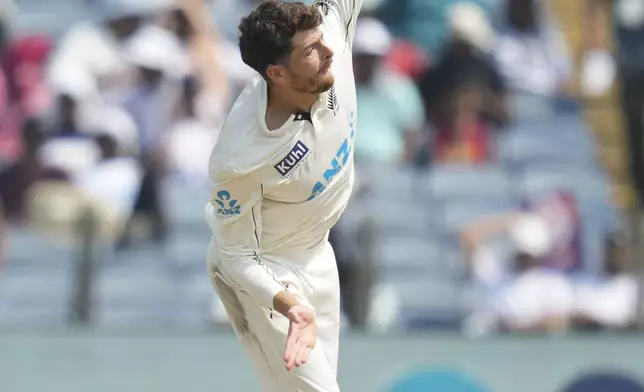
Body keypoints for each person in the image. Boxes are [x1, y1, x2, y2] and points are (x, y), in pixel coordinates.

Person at [204, 1, 362, 391]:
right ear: (277, 73)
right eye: (310, 51)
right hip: (267, 272)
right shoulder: (240, 155)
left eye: (321, 41)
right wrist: (291, 306)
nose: (329, 52)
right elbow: (235, 254)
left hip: (318, 253)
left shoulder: (330, 40)